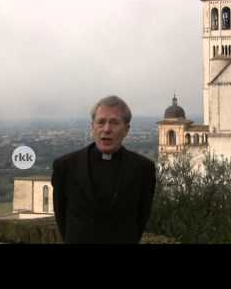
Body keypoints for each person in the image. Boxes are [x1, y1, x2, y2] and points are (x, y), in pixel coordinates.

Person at [51, 95, 156, 244]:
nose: (106, 129)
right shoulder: (65, 166)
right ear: (92, 127)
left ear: (126, 129)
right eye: (101, 122)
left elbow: (142, 217)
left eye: (114, 123)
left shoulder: (143, 169)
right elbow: (61, 216)